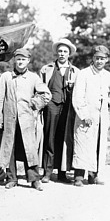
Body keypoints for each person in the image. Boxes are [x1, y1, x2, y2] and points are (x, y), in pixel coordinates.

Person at [0, 48, 51, 190]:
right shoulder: (6, 77)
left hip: (26, 119)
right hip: (9, 119)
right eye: (18, 59)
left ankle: (34, 179)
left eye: (23, 60)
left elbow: (46, 94)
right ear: (14, 60)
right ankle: (11, 178)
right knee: (9, 148)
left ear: (28, 61)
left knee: (29, 148)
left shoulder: (34, 77)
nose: (20, 62)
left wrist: (36, 103)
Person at [72, 45, 110, 187]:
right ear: (92, 59)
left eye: (102, 59)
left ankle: (94, 175)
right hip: (86, 116)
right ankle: (79, 176)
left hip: (101, 117)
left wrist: (109, 102)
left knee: (98, 145)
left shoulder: (106, 75)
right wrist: (84, 114)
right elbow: (78, 96)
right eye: (97, 58)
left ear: (106, 60)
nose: (99, 61)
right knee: (82, 144)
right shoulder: (84, 74)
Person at [39, 38, 79, 183]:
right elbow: (40, 88)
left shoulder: (76, 71)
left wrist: (72, 86)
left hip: (68, 108)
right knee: (49, 137)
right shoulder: (47, 69)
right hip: (51, 105)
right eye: (60, 51)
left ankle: (63, 172)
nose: (62, 54)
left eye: (65, 52)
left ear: (69, 54)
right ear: (57, 53)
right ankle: (47, 171)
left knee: (64, 139)